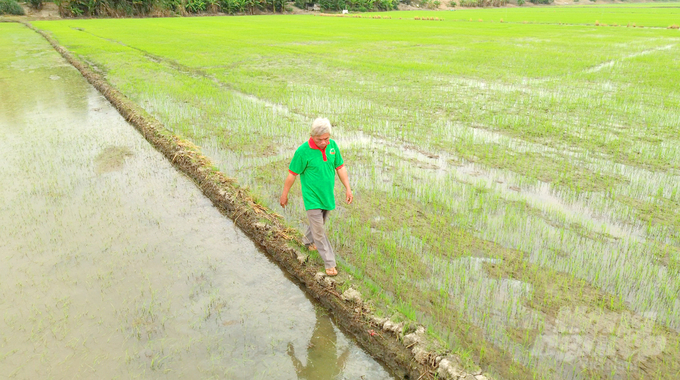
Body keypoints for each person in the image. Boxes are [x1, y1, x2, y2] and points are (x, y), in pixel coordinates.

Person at [280, 118, 353, 277]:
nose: (324, 142)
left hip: (327, 195)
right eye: (320, 140)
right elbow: (292, 174)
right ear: (312, 136)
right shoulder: (303, 151)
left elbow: (340, 167)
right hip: (312, 197)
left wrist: (348, 188)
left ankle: (307, 241)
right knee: (319, 230)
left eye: (326, 138)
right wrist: (284, 194)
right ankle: (329, 262)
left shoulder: (332, 146)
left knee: (319, 223)